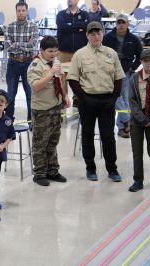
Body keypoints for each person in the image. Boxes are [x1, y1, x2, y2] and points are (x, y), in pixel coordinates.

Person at [67, 21, 125, 182]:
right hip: (88, 101)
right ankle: (90, 168)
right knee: (87, 135)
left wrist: (113, 98)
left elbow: (119, 77)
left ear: (103, 33)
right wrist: (84, 99)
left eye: (98, 33)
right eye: (92, 33)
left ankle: (112, 169)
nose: (95, 36)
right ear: (87, 35)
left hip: (107, 101)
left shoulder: (111, 53)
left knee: (108, 136)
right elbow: (72, 79)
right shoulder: (79, 55)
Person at [28, 36, 71, 186]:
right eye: (50, 51)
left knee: (53, 141)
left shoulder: (55, 63)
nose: (53, 54)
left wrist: (65, 96)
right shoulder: (36, 65)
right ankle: (39, 173)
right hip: (42, 109)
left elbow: (60, 81)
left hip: (55, 107)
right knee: (40, 142)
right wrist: (51, 72)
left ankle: (52, 170)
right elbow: (36, 87)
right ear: (41, 51)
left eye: (55, 51)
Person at [103, 13, 143, 138]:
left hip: (126, 70)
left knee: (124, 97)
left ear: (127, 24)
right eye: (118, 22)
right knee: (117, 95)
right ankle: (126, 121)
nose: (120, 25)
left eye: (123, 22)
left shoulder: (134, 38)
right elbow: (101, 52)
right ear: (116, 24)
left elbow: (140, 55)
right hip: (110, 71)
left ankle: (122, 128)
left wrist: (133, 68)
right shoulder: (108, 37)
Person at [4, 1, 38, 123]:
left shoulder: (33, 26)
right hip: (13, 63)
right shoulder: (10, 27)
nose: (21, 13)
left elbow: (33, 46)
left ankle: (31, 121)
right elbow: (7, 47)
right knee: (11, 95)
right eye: (19, 10)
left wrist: (16, 44)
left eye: (23, 10)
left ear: (27, 11)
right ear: (16, 11)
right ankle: (8, 121)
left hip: (28, 64)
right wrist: (25, 45)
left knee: (30, 94)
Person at [127, 49, 150, 192]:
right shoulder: (134, 79)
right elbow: (132, 102)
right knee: (137, 152)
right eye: (146, 61)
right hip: (137, 120)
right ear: (141, 62)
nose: (149, 64)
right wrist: (144, 120)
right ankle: (138, 180)